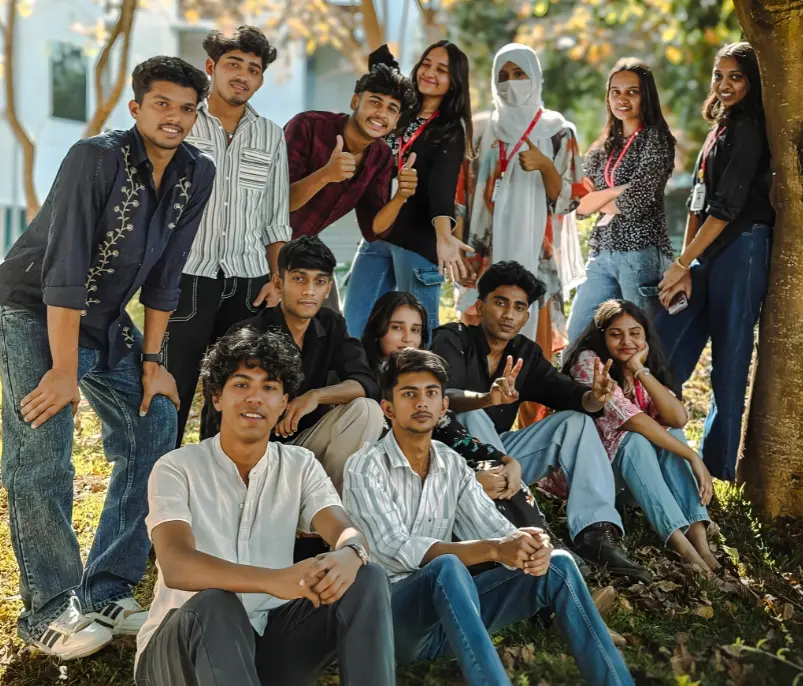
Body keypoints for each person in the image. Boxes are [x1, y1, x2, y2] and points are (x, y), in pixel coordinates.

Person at [0, 57, 215, 658]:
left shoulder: (198, 172)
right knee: (43, 451)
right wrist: (63, 371)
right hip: (32, 309)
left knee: (155, 421)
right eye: (162, 104)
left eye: (186, 108)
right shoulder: (95, 158)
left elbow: (168, 276)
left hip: (106, 319)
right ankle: (47, 610)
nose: (174, 117)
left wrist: (152, 360)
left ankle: (107, 588)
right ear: (137, 108)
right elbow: (64, 268)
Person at [342, 349, 635, 686]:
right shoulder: (365, 466)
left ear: (443, 407)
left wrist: (528, 546)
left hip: (451, 620)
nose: (422, 403)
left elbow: (495, 529)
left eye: (431, 393)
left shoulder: (452, 464)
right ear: (388, 408)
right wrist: (496, 549)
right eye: (409, 394)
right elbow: (394, 549)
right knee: (447, 567)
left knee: (559, 563)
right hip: (390, 625)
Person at [135, 327, 395, 686]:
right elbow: (177, 565)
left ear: (285, 402)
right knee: (217, 603)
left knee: (366, 577)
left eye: (269, 388)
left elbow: (343, 528)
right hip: (179, 650)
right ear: (217, 398)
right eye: (241, 385)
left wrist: (352, 551)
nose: (255, 398)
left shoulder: (300, 465)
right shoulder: (178, 467)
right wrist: (275, 581)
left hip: (265, 646)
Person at [432, 261, 651, 582]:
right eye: (500, 302)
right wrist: (487, 398)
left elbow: (568, 395)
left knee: (575, 421)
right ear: (480, 306)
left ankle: (595, 533)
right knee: (472, 412)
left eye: (519, 307)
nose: (508, 314)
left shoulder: (525, 353)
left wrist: (596, 397)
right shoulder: (452, 339)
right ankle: (537, 536)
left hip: (505, 466)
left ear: (526, 317)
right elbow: (440, 397)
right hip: (454, 467)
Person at [360, 291, 592, 578]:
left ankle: (544, 551)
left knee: (495, 473)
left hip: (446, 483)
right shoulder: (367, 387)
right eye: (397, 328)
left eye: (416, 330)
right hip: (404, 512)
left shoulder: (423, 386)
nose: (407, 338)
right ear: (377, 331)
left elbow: (455, 435)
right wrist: (467, 485)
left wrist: (506, 460)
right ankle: (545, 571)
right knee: (480, 488)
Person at [166, 26, 292, 447]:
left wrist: (276, 279)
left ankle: (221, 495)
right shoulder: (184, 121)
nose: (242, 75)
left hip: (247, 282)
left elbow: (275, 218)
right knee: (173, 390)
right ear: (211, 68)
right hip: (185, 276)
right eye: (233, 64)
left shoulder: (271, 135)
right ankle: (157, 494)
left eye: (253, 69)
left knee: (233, 395)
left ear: (260, 79)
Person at [655, 42, 773, 481]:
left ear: (753, 83)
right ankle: (665, 445)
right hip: (707, 252)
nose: (724, 85)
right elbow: (698, 200)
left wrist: (684, 261)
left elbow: (726, 207)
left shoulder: (751, 129)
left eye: (735, 77)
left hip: (742, 247)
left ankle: (718, 468)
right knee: (667, 348)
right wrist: (686, 265)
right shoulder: (720, 128)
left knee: (731, 357)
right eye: (718, 76)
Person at [203, 236, 383, 493]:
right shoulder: (248, 335)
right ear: (278, 282)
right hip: (254, 452)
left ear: (328, 289)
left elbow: (366, 382)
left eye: (319, 281)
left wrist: (315, 396)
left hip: (306, 447)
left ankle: (325, 508)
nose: (309, 290)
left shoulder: (330, 324)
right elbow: (218, 414)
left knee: (366, 410)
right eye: (299, 279)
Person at [564, 300, 719, 573]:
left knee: (673, 434)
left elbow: (678, 418)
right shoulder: (589, 364)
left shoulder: (640, 369)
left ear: (646, 336)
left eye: (635, 333)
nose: (627, 341)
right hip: (594, 483)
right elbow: (633, 421)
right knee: (635, 438)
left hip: (636, 480)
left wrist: (639, 370)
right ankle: (683, 549)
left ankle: (702, 547)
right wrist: (693, 456)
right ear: (602, 337)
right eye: (616, 334)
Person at [456, 43, 585, 353]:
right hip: (484, 252)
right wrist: (458, 250)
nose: (510, 83)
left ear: (536, 77)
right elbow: (463, 195)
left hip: (537, 254)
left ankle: (528, 403)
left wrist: (544, 166)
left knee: (530, 352)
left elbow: (569, 200)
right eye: (502, 76)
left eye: (519, 73)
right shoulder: (480, 130)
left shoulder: (558, 132)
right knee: (478, 350)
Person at [344, 41, 476, 337]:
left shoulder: (450, 129)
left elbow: (441, 190)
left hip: (418, 242)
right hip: (378, 234)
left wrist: (444, 236)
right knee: (353, 328)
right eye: (426, 63)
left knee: (418, 335)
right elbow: (379, 60)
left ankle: (423, 384)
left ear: (454, 80)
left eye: (441, 70)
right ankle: (358, 382)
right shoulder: (400, 106)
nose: (429, 72)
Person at [284, 54, 418, 310]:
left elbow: (373, 228)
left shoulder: (380, 157)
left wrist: (401, 196)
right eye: (375, 102)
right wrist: (326, 174)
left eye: (392, 109)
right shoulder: (308, 126)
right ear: (355, 100)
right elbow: (280, 202)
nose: (381, 113)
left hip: (304, 248)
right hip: (260, 244)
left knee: (331, 328)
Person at [566, 58, 676, 342]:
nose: (622, 98)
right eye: (615, 91)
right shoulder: (603, 146)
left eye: (632, 91)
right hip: (601, 253)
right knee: (577, 336)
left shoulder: (656, 140)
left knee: (642, 343)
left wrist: (602, 198)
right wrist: (618, 191)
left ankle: (645, 388)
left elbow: (637, 202)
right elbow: (578, 208)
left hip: (640, 254)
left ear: (646, 95)